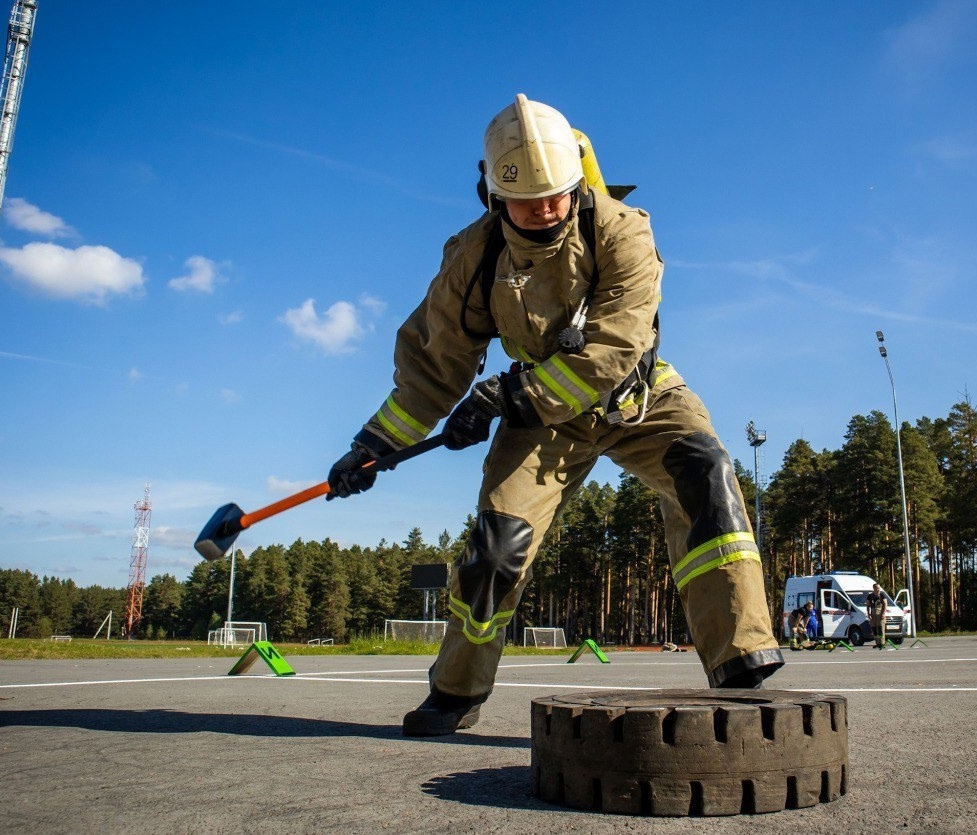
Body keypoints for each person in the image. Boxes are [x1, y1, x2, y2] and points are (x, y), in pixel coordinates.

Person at [326, 95, 783, 736]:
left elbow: (614, 348)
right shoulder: (473, 259)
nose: (544, 209)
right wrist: (376, 443)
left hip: (640, 398)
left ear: (576, 180)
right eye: (526, 199)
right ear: (491, 193)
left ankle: (740, 661)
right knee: (495, 548)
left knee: (705, 475)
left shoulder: (624, 230)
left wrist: (508, 397)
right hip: (540, 422)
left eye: (556, 195)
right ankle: (456, 691)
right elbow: (436, 364)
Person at [866, 583, 889, 649]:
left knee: (880, 628)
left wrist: (883, 613)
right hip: (873, 613)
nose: (878, 589)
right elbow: (867, 605)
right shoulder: (870, 596)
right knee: (874, 628)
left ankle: (882, 643)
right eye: (876, 588)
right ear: (874, 588)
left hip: (880, 612)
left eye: (879, 588)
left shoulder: (882, 595)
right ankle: (877, 643)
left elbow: (885, 604)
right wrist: (869, 614)